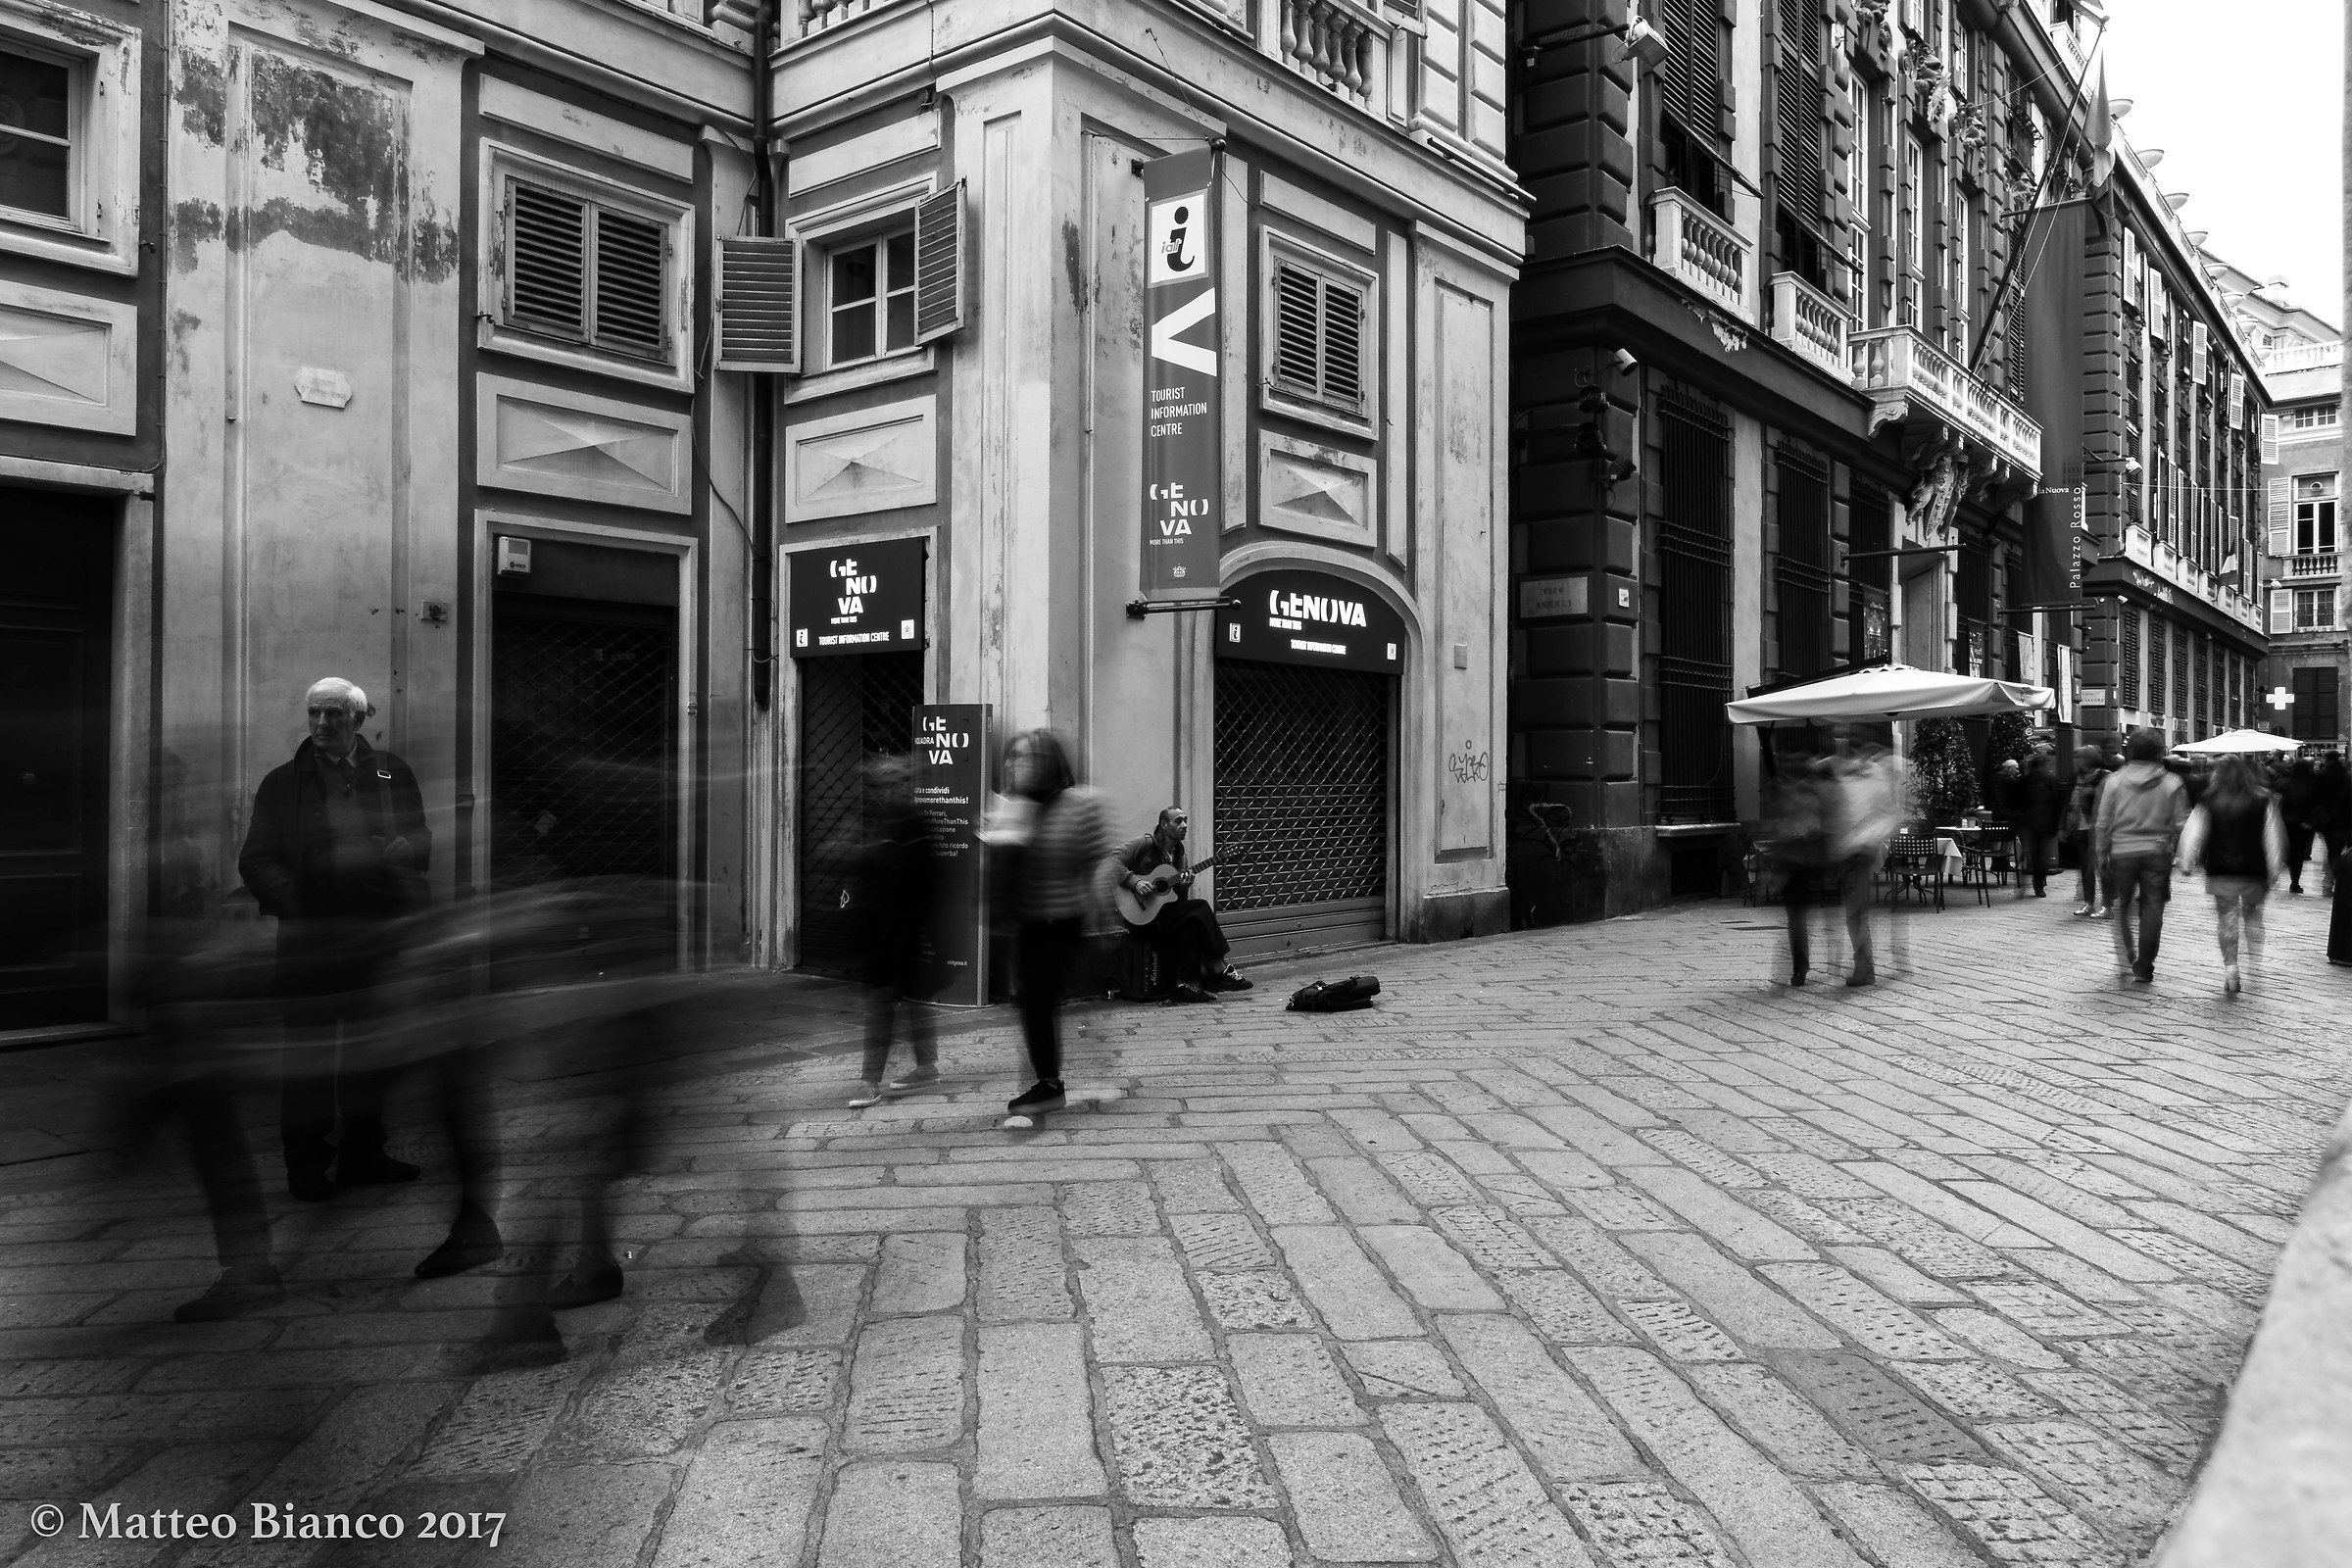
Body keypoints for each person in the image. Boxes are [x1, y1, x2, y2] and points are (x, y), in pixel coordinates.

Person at [237, 677, 430, 1200]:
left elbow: (421, 835)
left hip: (376, 939)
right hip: (311, 945)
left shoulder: (389, 770)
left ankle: (364, 1157)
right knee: (308, 1066)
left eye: (334, 716)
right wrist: (301, 901)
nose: (322, 725)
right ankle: (305, 1167)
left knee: (370, 1059)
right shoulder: (284, 783)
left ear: (358, 720)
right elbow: (256, 860)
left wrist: (406, 848)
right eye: (315, 714)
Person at [997, 730, 1107, 1119]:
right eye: (1012, 757)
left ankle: (1048, 1085)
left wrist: (1098, 915)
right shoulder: (1015, 805)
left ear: (1047, 761)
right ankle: (1047, 1080)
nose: (1014, 764)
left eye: (1024, 757)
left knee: (1037, 1000)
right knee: (1032, 1002)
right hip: (1025, 922)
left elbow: (1092, 862)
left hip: (1061, 920)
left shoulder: (1080, 804)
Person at [850, 755, 943, 1108]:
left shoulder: (914, 822)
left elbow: (927, 878)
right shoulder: (879, 819)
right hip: (881, 927)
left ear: (907, 785)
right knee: (906, 1000)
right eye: (883, 785)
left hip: (904, 929)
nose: (889, 790)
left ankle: (870, 1080)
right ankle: (926, 1066)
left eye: (896, 783)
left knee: (887, 1003)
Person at [1109, 806, 1250, 1003]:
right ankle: (1218, 969)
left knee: (1192, 923)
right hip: (1137, 917)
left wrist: (1183, 888)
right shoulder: (1145, 844)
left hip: (1160, 917)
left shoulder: (1179, 856)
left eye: (1185, 820)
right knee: (1200, 907)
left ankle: (1186, 984)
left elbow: (1176, 901)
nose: (1184, 825)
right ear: (1164, 825)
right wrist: (1136, 882)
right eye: (1178, 821)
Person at [2181, 755, 2286, 997]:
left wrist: (2186, 860)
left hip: (2221, 868)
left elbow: (2193, 833)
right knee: (2253, 914)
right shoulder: (2263, 799)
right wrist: (2274, 869)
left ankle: (2230, 968)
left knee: (2227, 917)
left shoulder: (2209, 799)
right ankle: (2255, 962)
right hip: (2254, 869)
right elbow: (2272, 838)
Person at [2095, 727, 2190, 985]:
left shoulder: (2113, 781)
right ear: (2159, 752)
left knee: (2122, 905)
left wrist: (2101, 852)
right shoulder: (2172, 782)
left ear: (2131, 751)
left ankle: (2127, 953)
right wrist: (2184, 855)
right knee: (2152, 908)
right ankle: (2145, 964)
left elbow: (2103, 822)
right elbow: (2182, 822)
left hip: (2122, 851)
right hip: (2158, 851)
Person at [2063, 745, 2110, 917]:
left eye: (2079, 757)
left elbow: (2108, 801)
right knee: (2085, 868)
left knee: (2101, 867)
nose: (2076, 761)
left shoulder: (2104, 776)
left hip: (2098, 828)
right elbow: (2069, 803)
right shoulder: (2077, 778)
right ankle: (2089, 903)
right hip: (2080, 828)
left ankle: (2107, 905)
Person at [2013, 751, 2063, 899]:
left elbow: (2057, 803)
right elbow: (2019, 802)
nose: (2047, 768)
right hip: (2031, 825)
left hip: (2042, 825)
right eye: (2044, 765)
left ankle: (2035, 885)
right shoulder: (2028, 781)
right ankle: (2034, 885)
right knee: (2032, 856)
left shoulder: (2048, 781)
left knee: (2039, 857)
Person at [2278, 757, 2319, 894]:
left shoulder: (2286, 784)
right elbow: (2315, 805)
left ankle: (2292, 871)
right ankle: (2295, 881)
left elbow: (2282, 805)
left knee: (2291, 851)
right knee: (2299, 852)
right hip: (2304, 824)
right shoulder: (2313, 785)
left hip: (2288, 822)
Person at [2315, 753, 2350, 897]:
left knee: (2332, 852)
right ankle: (2341, 880)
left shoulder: (2322, 776)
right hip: (2345, 820)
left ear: (2327, 760)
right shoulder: (2347, 776)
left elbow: (2316, 798)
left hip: (2327, 821)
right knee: (2344, 850)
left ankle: (2332, 881)